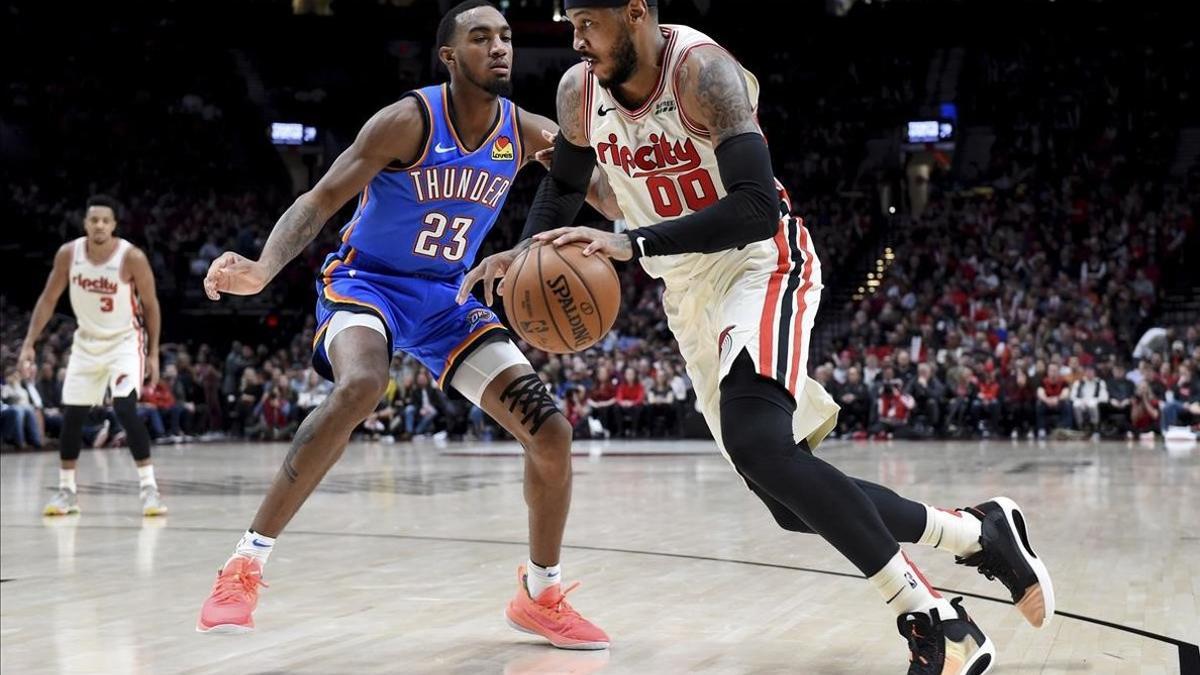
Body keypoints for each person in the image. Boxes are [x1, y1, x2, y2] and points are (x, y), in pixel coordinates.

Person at [461, 2, 1053, 670]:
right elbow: (566, 183)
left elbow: (754, 206)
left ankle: (931, 617)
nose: (574, 39)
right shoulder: (579, 91)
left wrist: (630, 240)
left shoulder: (703, 74)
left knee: (757, 442)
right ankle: (977, 531)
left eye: (588, 23)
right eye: (570, 23)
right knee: (789, 502)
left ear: (634, 13)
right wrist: (528, 248)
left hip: (761, 262)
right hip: (685, 290)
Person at [197, 0, 620, 650]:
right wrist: (261, 268)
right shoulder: (408, 121)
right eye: (481, 38)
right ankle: (243, 566)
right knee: (363, 383)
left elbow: (597, 187)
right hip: (366, 283)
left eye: (505, 37)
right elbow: (321, 199)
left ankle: (540, 593)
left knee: (553, 431)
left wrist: (654, 231)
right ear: (450, 56)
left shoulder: (524, 129)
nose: (499, 47)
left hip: (444, 299)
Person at [18, 194, 167, 516]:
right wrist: (30, 341)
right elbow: (47, 299)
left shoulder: (132, 257)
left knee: (125, 407)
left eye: (105, 220)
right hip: (86, 342)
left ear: (114, 225)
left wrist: (153, 353)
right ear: (85, 223)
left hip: (125, 341)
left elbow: (152, 305)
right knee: (73, 415)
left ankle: (149, 488)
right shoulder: (68, 255)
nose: (99, 225)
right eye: (93, 220)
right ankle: (67, 492)